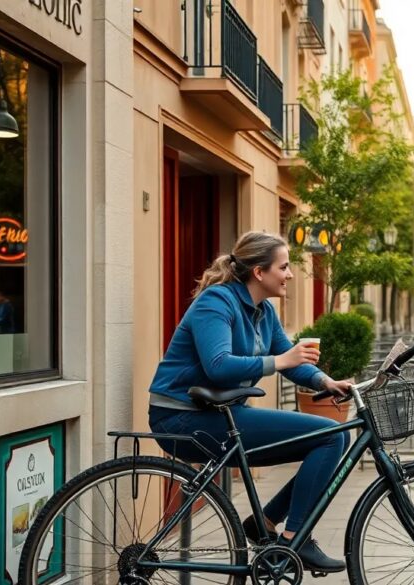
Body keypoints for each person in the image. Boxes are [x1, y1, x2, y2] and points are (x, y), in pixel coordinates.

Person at [147, 232, 353, 573]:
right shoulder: (216, 302)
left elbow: (291, 360)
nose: (290, 274)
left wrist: (325, 382)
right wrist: (282, 361)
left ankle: (266, 524)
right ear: (259, 272)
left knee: (331, 437)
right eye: (284, 267)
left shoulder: (264, 312)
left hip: (220, 412)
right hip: (180, 416)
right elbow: (219, 365)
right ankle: (294, 540)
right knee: (331, 435)